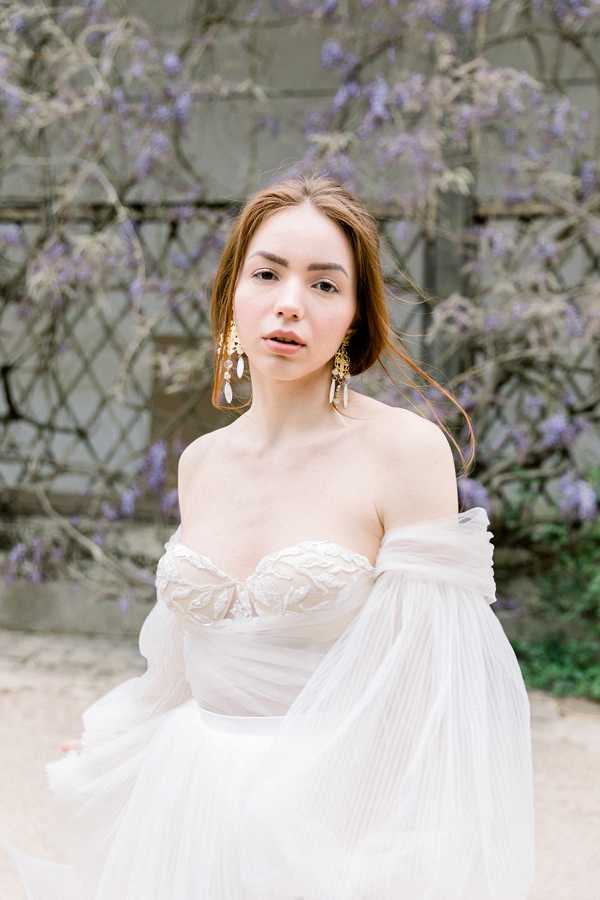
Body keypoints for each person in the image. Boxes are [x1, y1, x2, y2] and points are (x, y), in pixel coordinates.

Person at [2, 173, 535, 899]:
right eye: (268, 273)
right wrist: (124, 743)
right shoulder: (203, 462)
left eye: (324, 285)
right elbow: (189, 656)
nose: (291, 302)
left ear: (354, 315)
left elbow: (433, 682)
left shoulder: (404, 451)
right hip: (188, 803)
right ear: (232, 298)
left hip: (329, 821)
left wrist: (367, 844)